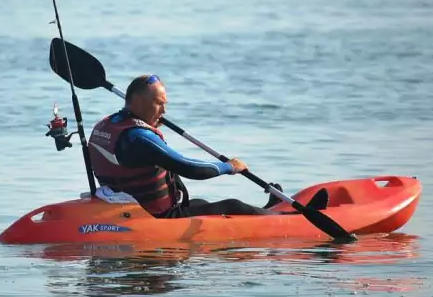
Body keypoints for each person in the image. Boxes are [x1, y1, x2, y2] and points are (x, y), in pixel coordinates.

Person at [87, 74, 326, 218]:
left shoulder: (108, 125)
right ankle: (291, 217)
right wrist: (229, 166)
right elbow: (191, 169)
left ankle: (269, 209)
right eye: (159, 104)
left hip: (133, 207)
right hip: (158, 216)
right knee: (233, 205)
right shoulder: (139, 137)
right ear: (137, 101)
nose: (164, 110)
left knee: (200, 204)